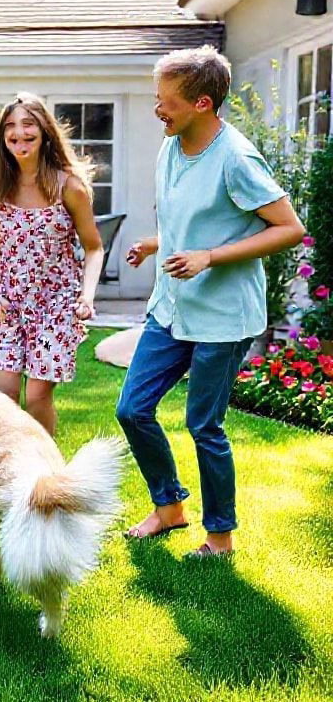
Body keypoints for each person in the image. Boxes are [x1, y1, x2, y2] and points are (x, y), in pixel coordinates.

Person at [117, 46, 304, 557]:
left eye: (166, 101)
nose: (158, 108)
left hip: (223, 316)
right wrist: (158, 243)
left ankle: (219, 536)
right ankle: (169, 506)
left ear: (202, 102)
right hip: (172, 305)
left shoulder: (237, 158)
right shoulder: (172, 144)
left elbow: (290, 228)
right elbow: (192, 216)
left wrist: (211, 257)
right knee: (132, 409)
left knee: (204, 424)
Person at [0, 92, 104, 436]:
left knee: (36, 397)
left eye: (29, 124)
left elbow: (94, 248)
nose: (20, 133)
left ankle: (45, 467)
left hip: (55, 303)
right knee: (2, 394)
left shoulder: (69, 187)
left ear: (45, 131)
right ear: (2, 137)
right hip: (9, 303)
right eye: (10, 128)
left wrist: (87, 296)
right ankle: (7, 465)